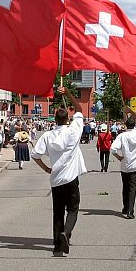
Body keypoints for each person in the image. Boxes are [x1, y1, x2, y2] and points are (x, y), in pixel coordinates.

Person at [31, 86, 86, 257]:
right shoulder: (73, 131)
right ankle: (66, 233)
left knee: (57, 213)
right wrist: (67, 93)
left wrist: (46, 168)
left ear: (54, 120)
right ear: (67, 118)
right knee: (73, 208)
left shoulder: (48, 136)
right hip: (71, 178)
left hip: (56, 179)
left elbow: (35, 155)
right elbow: (79, 108)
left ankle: (57, 246)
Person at [111, 106, 136, 219]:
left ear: (126, 125)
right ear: (134, 124)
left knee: (125, 187)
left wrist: (118, 157)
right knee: (132, 188)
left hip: (125, 164)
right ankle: (130, 210)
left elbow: (113, 149)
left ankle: (126, 207)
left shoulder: (122, 135)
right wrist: (130, 111)